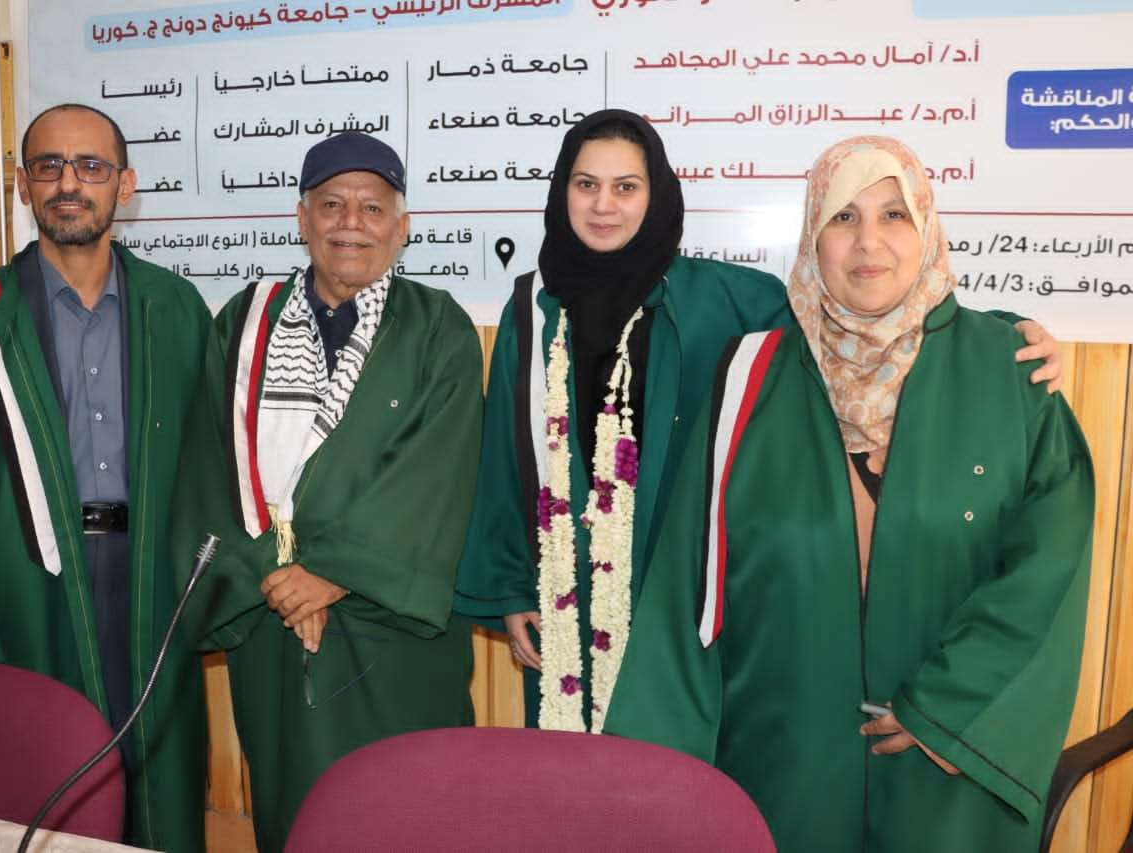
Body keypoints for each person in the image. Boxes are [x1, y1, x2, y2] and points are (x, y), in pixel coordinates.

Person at [453, 110, 1065, 735]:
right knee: (569, 771)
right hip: (567, 596)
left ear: (656, 194)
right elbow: (507, 455)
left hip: (688, 595)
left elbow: (857, 319)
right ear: (563, 192)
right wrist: (513, 588)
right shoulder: (532, 310)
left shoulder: (727, 298)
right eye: (586, 185)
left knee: (669, 760)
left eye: (626, 186)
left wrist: (1002, 332)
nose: (604, 205)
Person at [623, 136, 1093, 851]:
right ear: (813, 236)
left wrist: (948, 706)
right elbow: (686, 589)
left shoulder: (1009, 373)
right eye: (842, 216)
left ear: (926, 228)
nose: (868, 241)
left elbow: (1049, 567)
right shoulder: (750, 377)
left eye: (893, 215)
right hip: (784, 768)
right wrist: (659, 777)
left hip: (947, 773)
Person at [0, 103, 209, 852]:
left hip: (148, 587)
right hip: (23, 596)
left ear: (124, 186)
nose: (69, 184)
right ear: (23, 185)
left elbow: (210, 471)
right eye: (49, 166)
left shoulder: (176, 310)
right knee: (37, 789)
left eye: (91, 166)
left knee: (154, 784)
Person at [172, 131, 483, 849]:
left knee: (407, 814)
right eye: (332, 204)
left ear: (402, 228)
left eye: (373, 208)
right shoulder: (244, 322)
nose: (351, 223)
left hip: (391, 626)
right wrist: (279, 581)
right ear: (302, 217)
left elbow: (437, 471)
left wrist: (330, 573)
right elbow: (209, 463)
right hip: (269, 621)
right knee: (296, 813)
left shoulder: (439, 327)